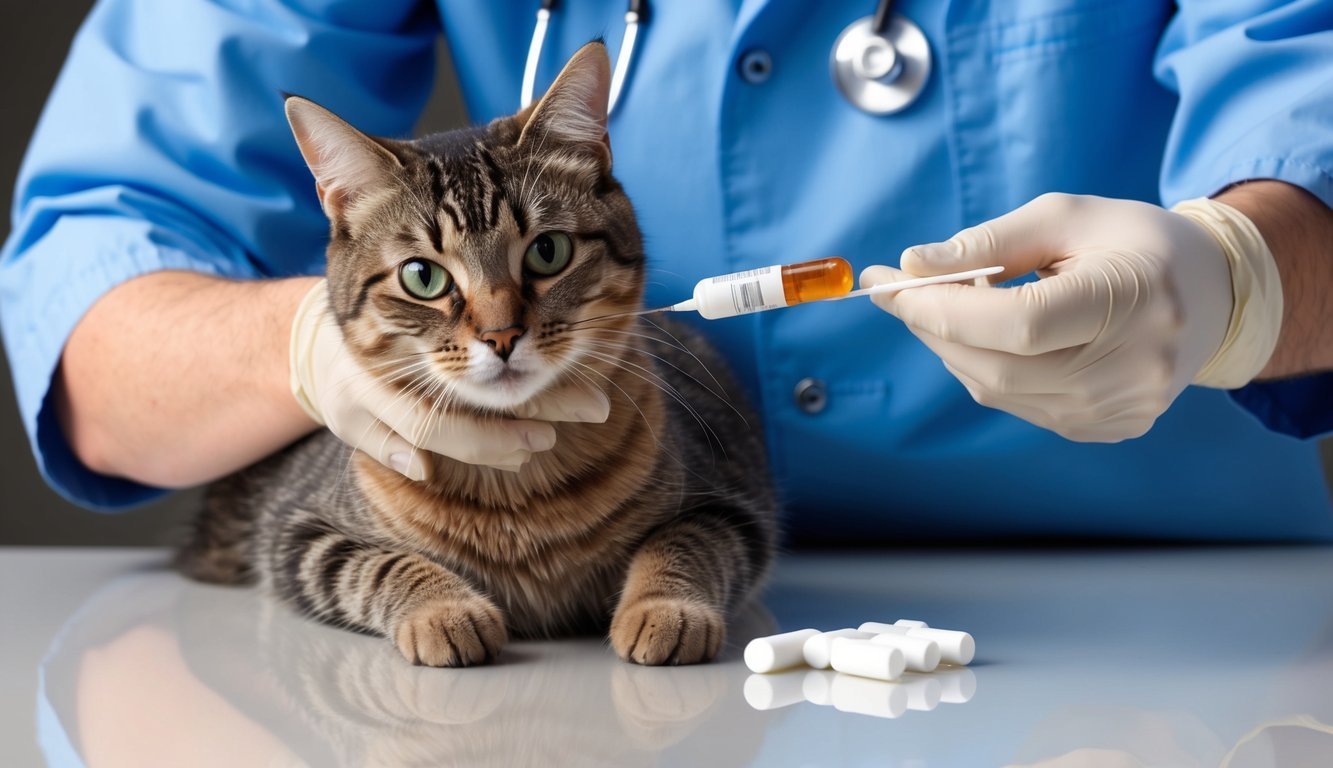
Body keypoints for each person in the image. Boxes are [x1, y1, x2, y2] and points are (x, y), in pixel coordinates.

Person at [3, 1, 1331, 540]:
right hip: (589, 655)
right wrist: (313, 345)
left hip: (1172, 631)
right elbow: (102, 297)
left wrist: (1234, 278)